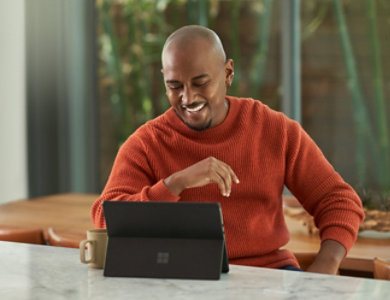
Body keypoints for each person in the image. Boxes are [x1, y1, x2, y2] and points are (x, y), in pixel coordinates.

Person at [92, 25, 364, 274]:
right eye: (175, 86)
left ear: (228, 73)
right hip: (180, 277)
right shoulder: (147, 143)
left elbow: (338, 200)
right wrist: (176, 183)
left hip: (269, 274)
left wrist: (325, 266)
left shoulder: (274, 129)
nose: (188, 98)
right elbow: (106, 217)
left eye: (201, 83)